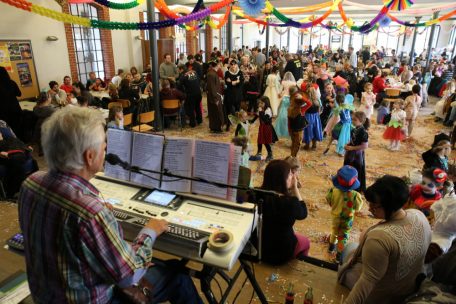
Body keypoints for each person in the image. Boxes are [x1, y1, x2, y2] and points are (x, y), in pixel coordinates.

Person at [18, 106, 203, 303]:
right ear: (89, 157)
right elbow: (131, 275)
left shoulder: (31, 183)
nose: (106, 152)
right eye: (104, 147)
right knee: (177, 275)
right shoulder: (90, 212)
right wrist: (149, 232)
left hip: (48, 295)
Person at [338, 175, 431, 304]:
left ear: (390, 206)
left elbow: (367, 282)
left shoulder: (379, 239)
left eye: (374, 206)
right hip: (411, 285)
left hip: (383, 296)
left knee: (349, 249)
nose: (370, 208)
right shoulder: (419, 215)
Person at [256, 160, 310, 265]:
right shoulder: (290, 203)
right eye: (290, 174)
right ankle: (297, 265)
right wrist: (295, 188)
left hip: (257, 248)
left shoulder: (255, 194)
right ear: (282, 179)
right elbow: (303, 214)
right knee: (306, 242)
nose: (293, 177)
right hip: (281, 254)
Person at [326, 165, 363, 262]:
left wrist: (334, 206)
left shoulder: (332, 191)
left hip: (335, 216)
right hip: (347, 219)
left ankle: (331, 248)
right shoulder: (355, 195)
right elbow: (358, 208)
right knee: (343, 236)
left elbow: (329, 200)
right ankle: (339, 255)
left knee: (334, 232)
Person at [0, 127, 35, 198]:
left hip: (18, 153)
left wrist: (27, 147)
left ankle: (20, 189)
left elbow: (19, 143)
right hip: (6, 156)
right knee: (16, 159)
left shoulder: (10, 138)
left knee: (32, 161)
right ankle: (11, 192)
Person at [344, 112, 369, 193]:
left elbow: (364, 146)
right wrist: (348, 144)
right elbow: (352, 140)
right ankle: (347, 184)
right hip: (350, 153)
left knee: (356, 170)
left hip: (357, 155)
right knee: (348, 168)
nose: (352, 121)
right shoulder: (353, 129)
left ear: (361, 121)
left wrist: (352, 148)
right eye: (352, 119)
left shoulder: (363, 132)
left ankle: (356, 188)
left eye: (355, 120)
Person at [250, 96, 278, 161]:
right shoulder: (261, 109)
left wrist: (261, 112)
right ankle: (259, 152)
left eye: (262, 103)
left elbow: (266, 120)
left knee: (266, 142)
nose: (260, 105)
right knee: (259, 140)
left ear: (266, 103)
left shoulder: (268, 110)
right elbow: (257, 116)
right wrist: (251, 121)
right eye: (259, 103)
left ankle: (270, 154)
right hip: (262, 127)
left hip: (267, 128)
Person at [288, 88, 312, 157]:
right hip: (298, 131)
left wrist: (289, 130)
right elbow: (309, 103)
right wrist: (303, 98)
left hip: (292, 129)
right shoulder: (301, 109)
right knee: (297, 144)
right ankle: (293, 157)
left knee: (293, 144)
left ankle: (292, 156)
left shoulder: (290, 108)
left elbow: (288, 121)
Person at [0, 66, 22, 136]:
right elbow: (19, 94)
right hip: (15, 109)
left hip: (3, 112)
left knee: (7, 131)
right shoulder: (12, 82)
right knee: (18, 128)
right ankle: (22, 143)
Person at [275, 72, 296, 138]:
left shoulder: (283, 82)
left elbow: (281, 90)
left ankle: (281, 126)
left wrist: (279, 94)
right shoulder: (294, 83)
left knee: (282, 110)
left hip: (284, 96)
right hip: (290, 97)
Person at [302, 83, 323, 150]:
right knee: (315, 130)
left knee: (308, 131)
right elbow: (319, 111)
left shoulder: (307, 102)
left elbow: (303, 110)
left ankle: (307, 145)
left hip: (308, 117)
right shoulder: (317, 101)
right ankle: (314, 145)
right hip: (316, 117)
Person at [224, 60, 244, 130]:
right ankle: (228, 125)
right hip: (230, 94)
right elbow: (227, 83)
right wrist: (236, 81)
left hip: (238, 94)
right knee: (229, 110)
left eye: (234, 65)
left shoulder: (240, 72)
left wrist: (232, 82)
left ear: (236, 65)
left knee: (237, 110)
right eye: (232, 65)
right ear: (230, 65)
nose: (233, 66)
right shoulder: (227, 73)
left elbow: (241, 83)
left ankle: (238, 124)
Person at [206, 61, 225, 133]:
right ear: (217, 65)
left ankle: (216, 127)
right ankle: (216, 128)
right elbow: (212, 87)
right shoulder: (211, 74)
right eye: (220, 64)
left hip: (216, 95)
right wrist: (215, 99)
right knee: (216, 112)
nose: (221, 65)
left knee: (216, 112)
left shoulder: (213, 73)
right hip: (214, 97)